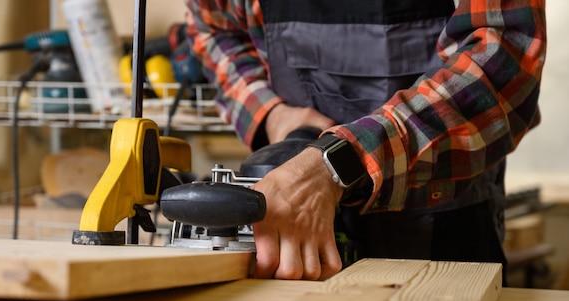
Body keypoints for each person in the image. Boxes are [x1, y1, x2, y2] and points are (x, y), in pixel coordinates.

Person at [184, 0, 547, 283]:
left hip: (445, 225)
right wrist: (271, 113)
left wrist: (338, 164)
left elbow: (505, 57)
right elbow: (213, 30)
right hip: (295, 219)